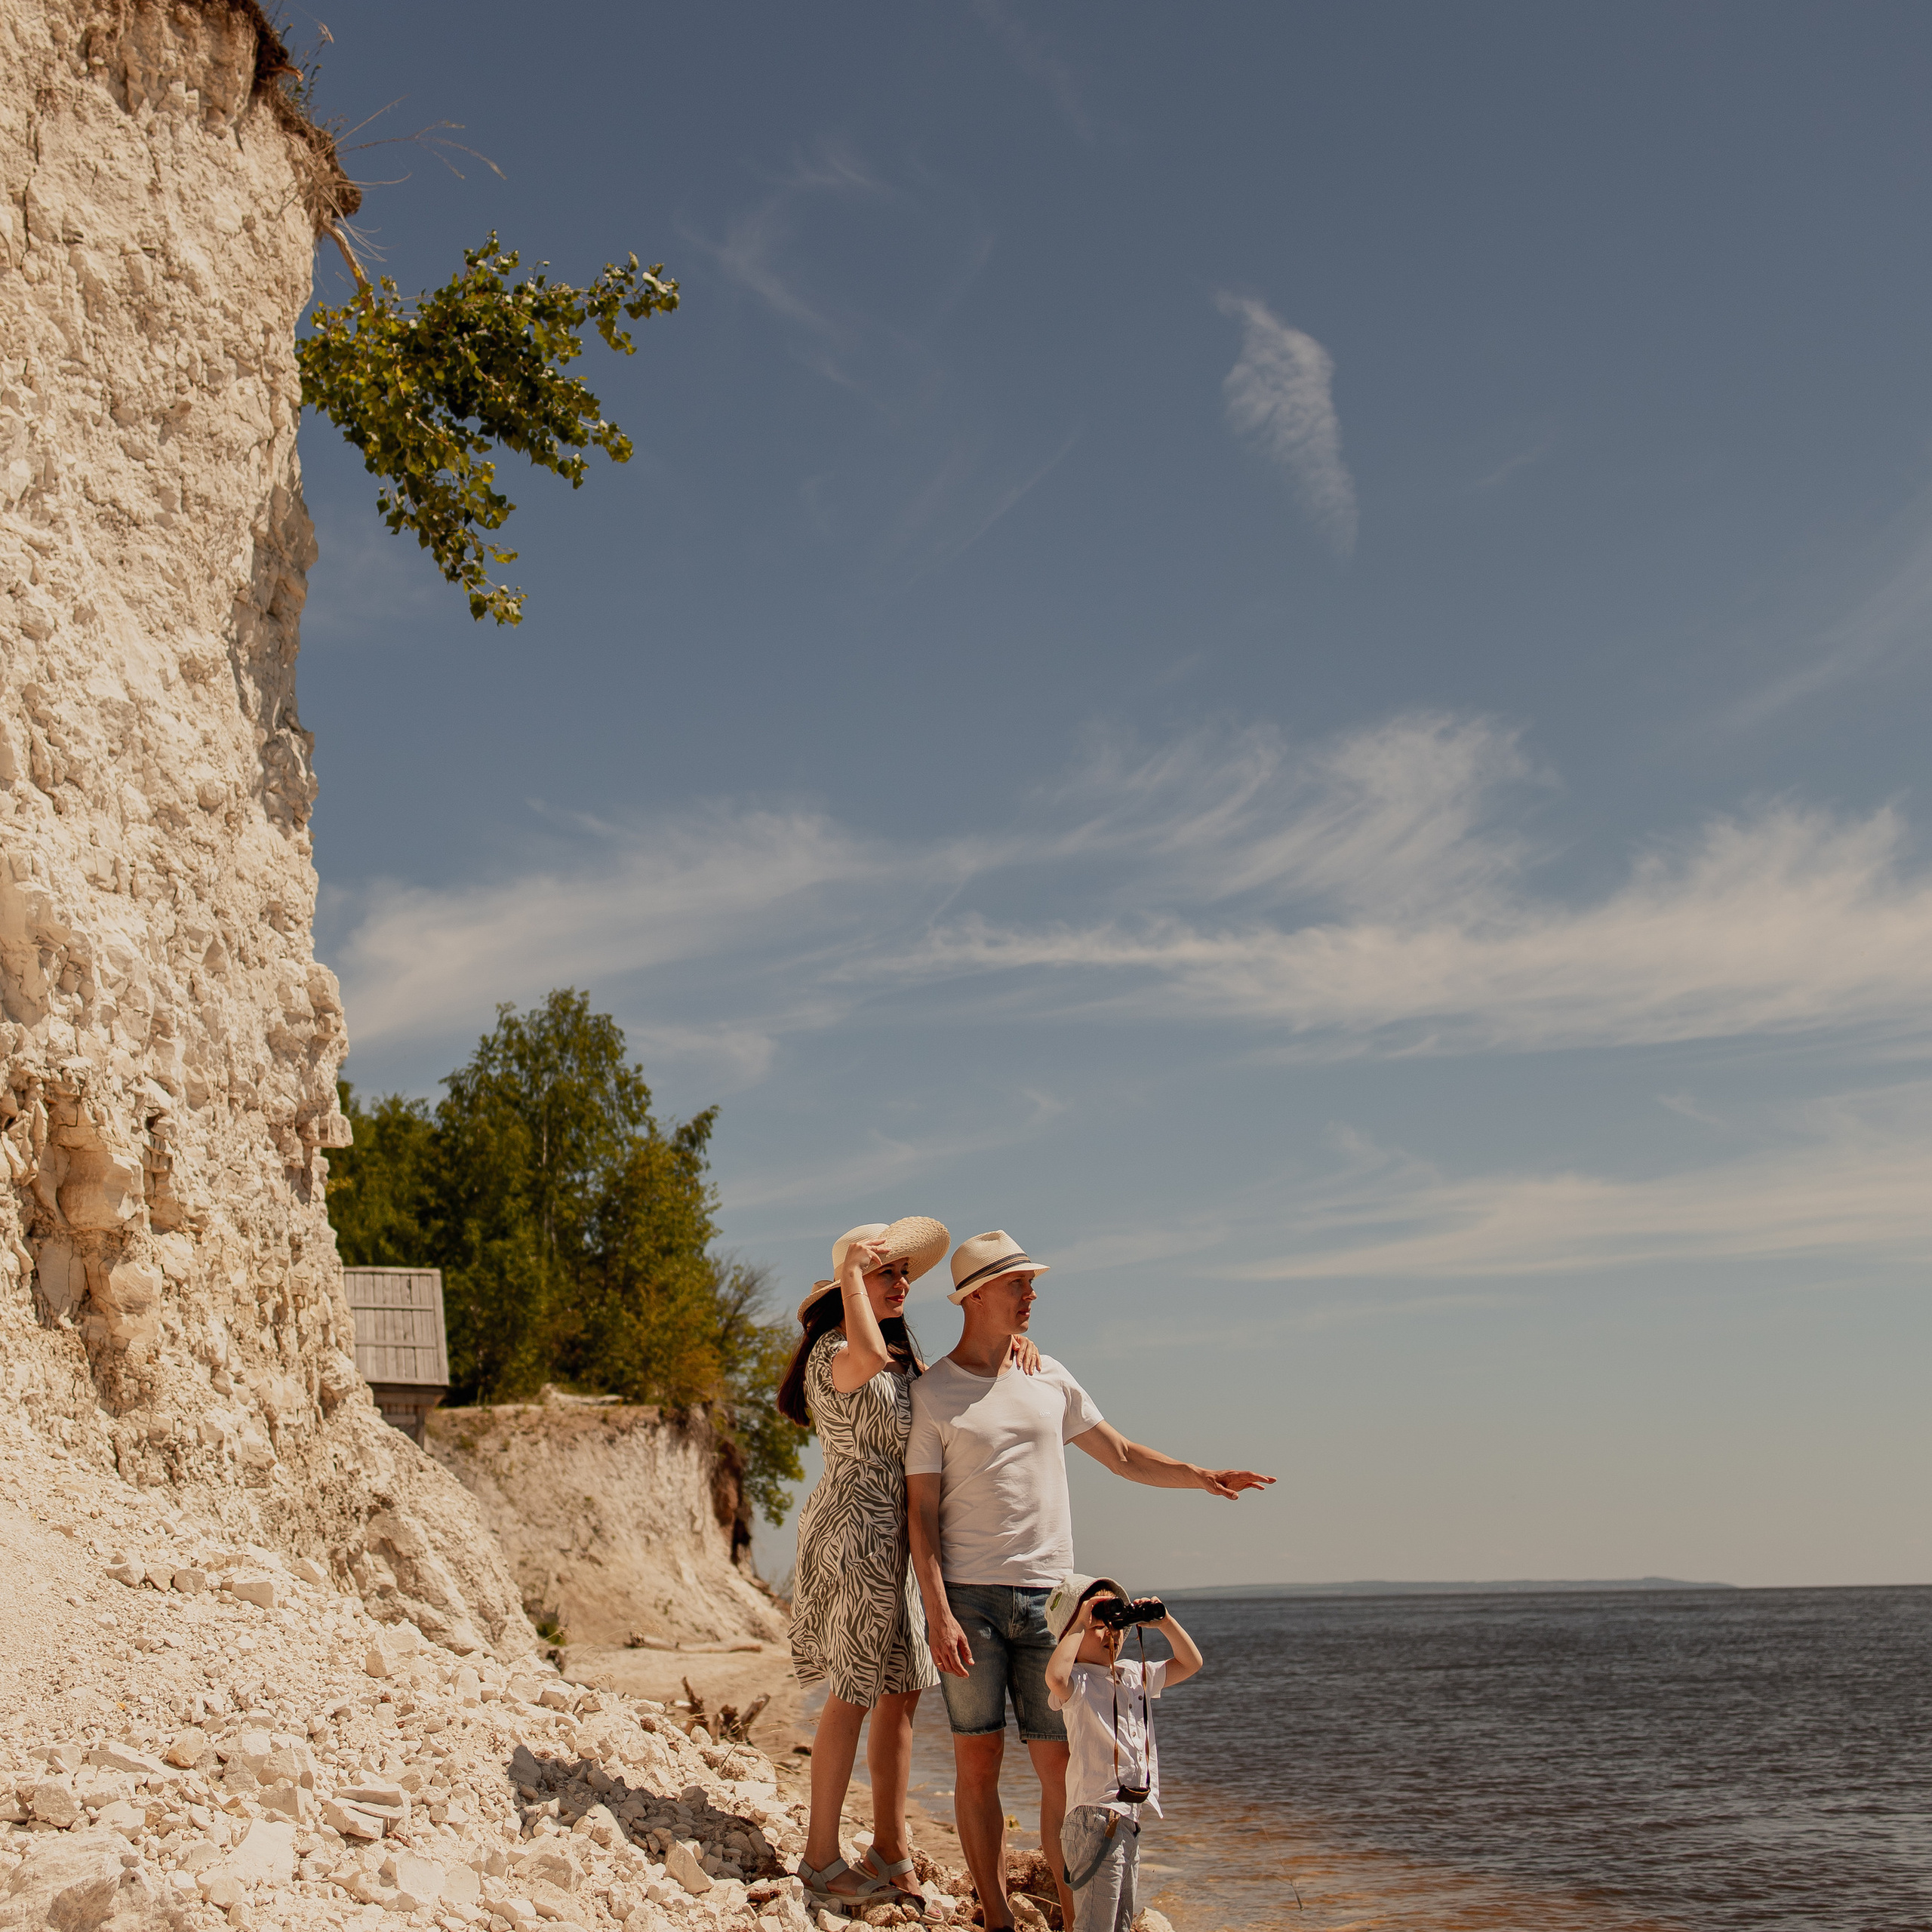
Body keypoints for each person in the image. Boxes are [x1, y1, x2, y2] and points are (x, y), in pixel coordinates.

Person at [906, 1230, 1275, 1931]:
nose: (1032, 1294)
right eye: (1019, 1284)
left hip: (1056, 1609)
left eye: (1031, 1283)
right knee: (977, 1762)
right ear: (977, 1295)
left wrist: (1202, 1476)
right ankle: (996, 1917)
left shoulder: (1050, 1377)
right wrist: (937, 1612)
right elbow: (920, 1512)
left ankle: (1077, 1920)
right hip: (970, 1603)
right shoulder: (934, 1394)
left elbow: (1125, 1455)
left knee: (1065, 1776)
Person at [776, 1217, 1041, 1914]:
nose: (901, 1286)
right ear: (846, 1290)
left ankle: (890, 1848)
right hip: (858, 1531)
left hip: (897, 1536)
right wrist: (849, 1273)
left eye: (902, 1275)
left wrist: (1016, 1343)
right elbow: (866, 1345)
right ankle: (818, 1856)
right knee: (853, 1690)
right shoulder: (838, 1351)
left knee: (901, 1693)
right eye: (886, 1274)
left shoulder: (893, 1360)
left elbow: (954, 1392)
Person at [1043, 1576, 1201, 1932]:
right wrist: (1081, 1622)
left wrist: (1164, 1622)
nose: (1108, 1632)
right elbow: (1055, 1678)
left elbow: (1190, 1663)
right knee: (1096, 1926)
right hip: (1093, 1818)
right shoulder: (1078, 1682)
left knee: (1121, 1923)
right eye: (1098, 1624)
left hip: (1127, 1816)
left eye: (1112, 1621)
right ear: (1073, 1632)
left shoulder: (1132, 1674)